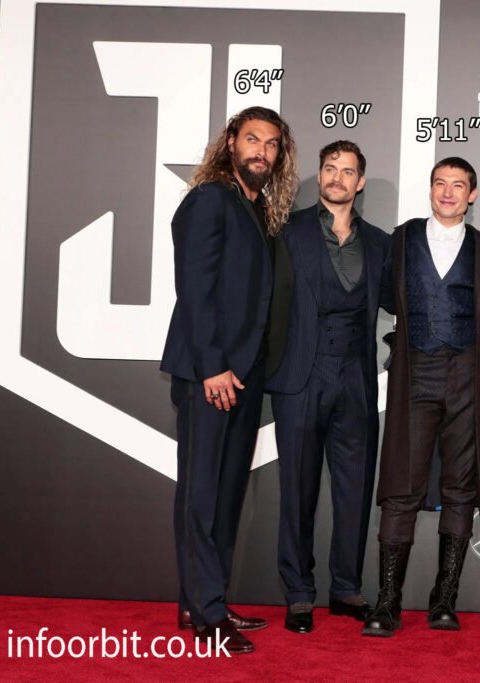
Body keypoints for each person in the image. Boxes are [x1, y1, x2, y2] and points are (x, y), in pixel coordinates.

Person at [160, 106, 298, 654]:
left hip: (245, 376)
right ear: (232, 142)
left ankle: (202, 600)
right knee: (201, 494)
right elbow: (194, 289)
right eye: (252, 139)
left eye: (271, 143)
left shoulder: (258, 208)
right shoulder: (210, 199)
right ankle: (207, 613)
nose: (261, 150)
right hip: (210, 373)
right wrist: (213, 365)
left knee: (224, 496)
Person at [362, 157, 480, 638]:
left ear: (472, 194)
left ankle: (444, 601)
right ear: (431, 189)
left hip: (468, 374)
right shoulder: (400, 240)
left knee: (460, 485)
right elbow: (384, 295)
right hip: (415, 371)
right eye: (441, 183)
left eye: (459, 185)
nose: (448, 192)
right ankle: (387, 601)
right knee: (401, 482)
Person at [265, 140, 392, 634]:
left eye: (348, 171)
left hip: (356, 376)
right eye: (330, 168)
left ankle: (346, 588)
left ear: (361, 183)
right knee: (297, 488)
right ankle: (299, 593)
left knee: (355, 488)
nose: (338, 177)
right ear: (319, 176)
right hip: (300, 374)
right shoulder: (285, 229)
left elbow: (408, 300)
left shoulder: (380, 243)